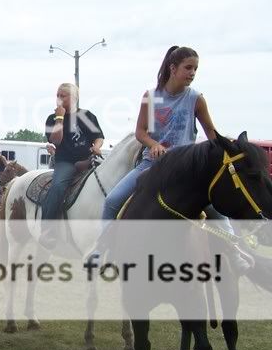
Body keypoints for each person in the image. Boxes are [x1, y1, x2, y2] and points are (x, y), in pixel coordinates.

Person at [88, 46, 251, 272]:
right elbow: (140, 132)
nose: (193, 73)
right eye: (188, 68)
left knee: (216, 209)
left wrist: (229, 145)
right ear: (173, 68)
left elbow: (211, 133)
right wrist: (153, 145)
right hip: (152, 165)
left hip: (187, 169)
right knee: (113, 200)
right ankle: (100, 249)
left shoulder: (196, 99)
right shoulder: (151, 97)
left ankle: (234, 254)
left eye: (195, 69)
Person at [39, 83, 104, 248]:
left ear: (74, 98)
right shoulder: (51, 119)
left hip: (88, 159)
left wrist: (96, 146)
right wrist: (60, 118)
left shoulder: (86, 116)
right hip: (66, 162)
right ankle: (47, 231)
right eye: (57, 95)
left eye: (63, 95)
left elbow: (98, 136)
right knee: (58, 187)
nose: (59, 98)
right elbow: (56, 140)